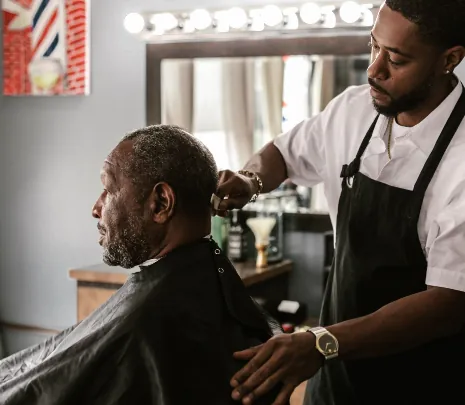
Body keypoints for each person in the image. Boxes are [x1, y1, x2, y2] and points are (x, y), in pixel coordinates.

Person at [215, 1, 465, 404]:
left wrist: (320, 343)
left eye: (396, 59)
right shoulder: (353, 109)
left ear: (449, 60)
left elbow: (449, 301)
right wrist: (251, 179)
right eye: (374, 46)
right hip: (334, 378)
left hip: (423, 382)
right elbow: (283, 153)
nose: (374, 69)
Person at [0, 125, 284, 405]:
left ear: (160, 203)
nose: (96, 208)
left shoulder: (147, 320)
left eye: (108, 190)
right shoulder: (203, 285)